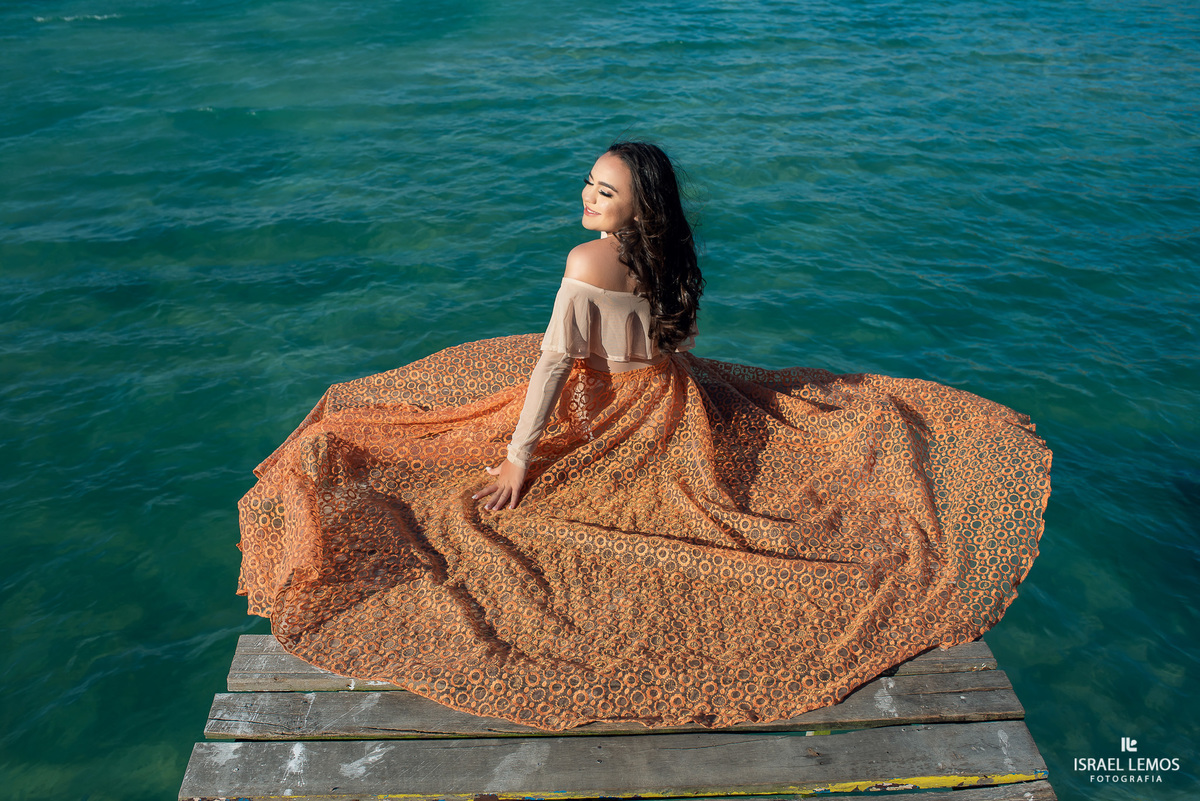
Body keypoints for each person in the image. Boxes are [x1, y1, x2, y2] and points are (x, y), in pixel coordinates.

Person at [237, 141, 1051, 731]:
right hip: (670, 399)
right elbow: (677, 347)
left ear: (634, 207)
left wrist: (520, 453)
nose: (589, 197)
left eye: (605, 191)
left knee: (392, 449)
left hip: (609, 406)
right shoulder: (671, 256)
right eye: (590, 184)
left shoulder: (585, 264)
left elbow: (557, 363)